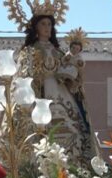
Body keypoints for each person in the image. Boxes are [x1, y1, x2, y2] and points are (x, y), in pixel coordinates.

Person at [16, 13, 95, 163]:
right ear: (35, 28)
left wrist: (72, 75)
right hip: (39, 95)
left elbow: (70, 68)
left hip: (61, 92)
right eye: (43, 24)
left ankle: (73, 165)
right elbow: (23, 76)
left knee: (74, 130)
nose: (47, 28)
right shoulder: (29, 51)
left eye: (49, 24)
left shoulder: (59, 52)